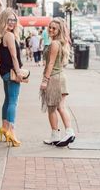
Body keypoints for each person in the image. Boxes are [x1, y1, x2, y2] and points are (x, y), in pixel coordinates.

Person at [40, 17, 75, 147]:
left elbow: (50, 63)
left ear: (59, 30)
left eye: (54, 28)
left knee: (53, 108)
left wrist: (45, 80)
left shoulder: (55, 44)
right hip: (59, 77)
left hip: (54, 78)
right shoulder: (59, 43)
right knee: (59, 107)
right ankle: (60, 134)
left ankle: (66, 132)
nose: (51, 29)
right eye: (50, 27)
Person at [0, 8, 24, 147]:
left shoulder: (2, 35)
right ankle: (11, 130)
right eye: (9, 20)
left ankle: (4, 127)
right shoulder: (9, 36)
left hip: (4, 72)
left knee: (7, 100)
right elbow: (14, 56)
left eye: (14, 20)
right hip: (11, 72)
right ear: (4, 21)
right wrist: (19, 73)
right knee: (13, 102)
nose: (12, 22)